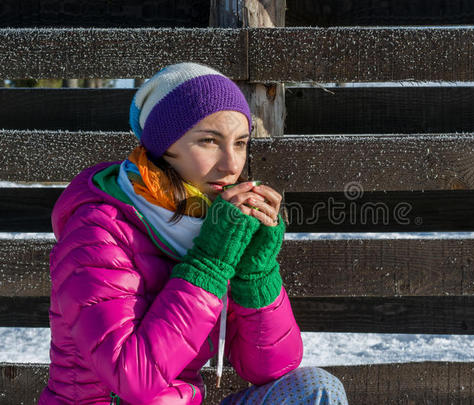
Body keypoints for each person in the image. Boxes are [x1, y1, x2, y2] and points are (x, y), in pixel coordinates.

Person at [38, 62, 348, 404]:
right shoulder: (98, 229)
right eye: (209, 141)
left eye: (241, 143)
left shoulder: (213, 222)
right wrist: (210, 262)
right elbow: (133, 378)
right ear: (164, 147)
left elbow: (269, 368)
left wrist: (256, 272)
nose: (232, 164)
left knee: (316, 390)